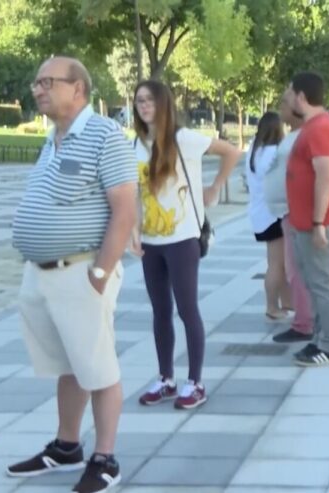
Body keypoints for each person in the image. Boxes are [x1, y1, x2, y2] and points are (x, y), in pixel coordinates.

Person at [9, 56, 137, 493]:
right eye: (36, 82)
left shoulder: (103, 135)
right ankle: (67, 447)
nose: (38, 89)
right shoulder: (55, 136)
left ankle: (105, 459)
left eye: (48, 82)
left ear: (77, 88)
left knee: (98, 368)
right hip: (42, 275)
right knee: (69, 365)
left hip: (81, 272)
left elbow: (124, 209)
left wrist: (101, 272)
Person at [131, 80, 240, 410]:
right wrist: (133, 230)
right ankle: (166, 378)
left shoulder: (183, 139)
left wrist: (215, 187)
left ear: (163, 103)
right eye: (138, 101)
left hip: (182, 239)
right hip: (151, 240)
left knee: (187, 309)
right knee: (159, 311)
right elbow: (137, 192)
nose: (143, 106)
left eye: (149, 100)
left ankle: (195, 382)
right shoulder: (138, 143)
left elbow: (231, 151)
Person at [286, 72, 329, 366]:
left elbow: (325, 177)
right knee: (316, 282)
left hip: (318, 223)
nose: (287, 100)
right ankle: (322, 340)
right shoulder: (316, 127)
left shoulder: (319, 129)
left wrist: (318, 223)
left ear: (301, 96)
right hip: (308, 222)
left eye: (289, 95)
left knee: (323, 283)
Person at [265, 87, 315, 343]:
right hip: (288, 213)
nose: (281, 108)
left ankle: (306, 324)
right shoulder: (293, 136)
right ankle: (304, 320)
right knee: (294, 270)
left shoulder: (303, 137)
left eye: (284, 102)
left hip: (298, 214)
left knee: (300, 270)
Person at [246, 111, 293, 319]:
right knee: (278, 264)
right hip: (275, 213)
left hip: (259, 213)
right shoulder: (276, 152)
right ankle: (272, 307)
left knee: (276, 262)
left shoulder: (254, 151)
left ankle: (287, 303)